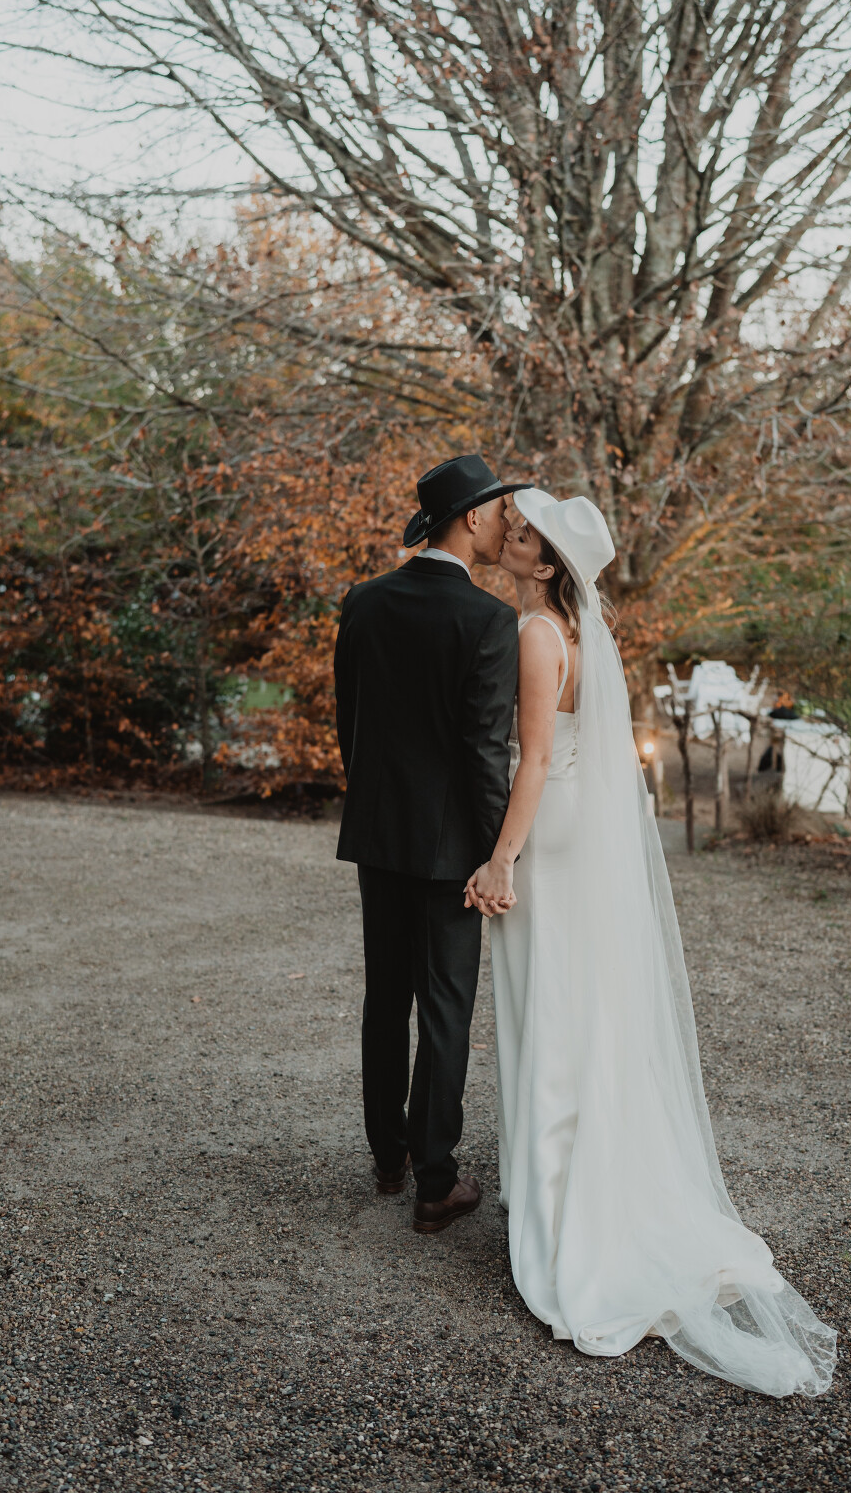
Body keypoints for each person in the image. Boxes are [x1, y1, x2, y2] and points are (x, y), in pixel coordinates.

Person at [465, 488, 837, 1397]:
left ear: (545, 564)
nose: (508, 537)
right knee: (580, 1005)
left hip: (547, 830)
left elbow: (536, 758)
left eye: (522, 534)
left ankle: (565, 1214)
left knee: (551, 1011)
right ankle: (578, 1181)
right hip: (579, 828)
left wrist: (501, 858)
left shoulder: (537, 634)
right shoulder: (581, 632)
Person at [333, 454, 527, 1233]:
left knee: (385, 998)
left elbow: (348, 723)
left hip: (378, 837)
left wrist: (375, 808)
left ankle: (389, 1157)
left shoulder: (364, 601)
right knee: (445, 1008)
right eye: (498, 513)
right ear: (472, 519)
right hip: (451, 851)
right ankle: (435, 1183)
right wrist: (495, 853)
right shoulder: (488, 620)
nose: (504, 526)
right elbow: (484, 751)